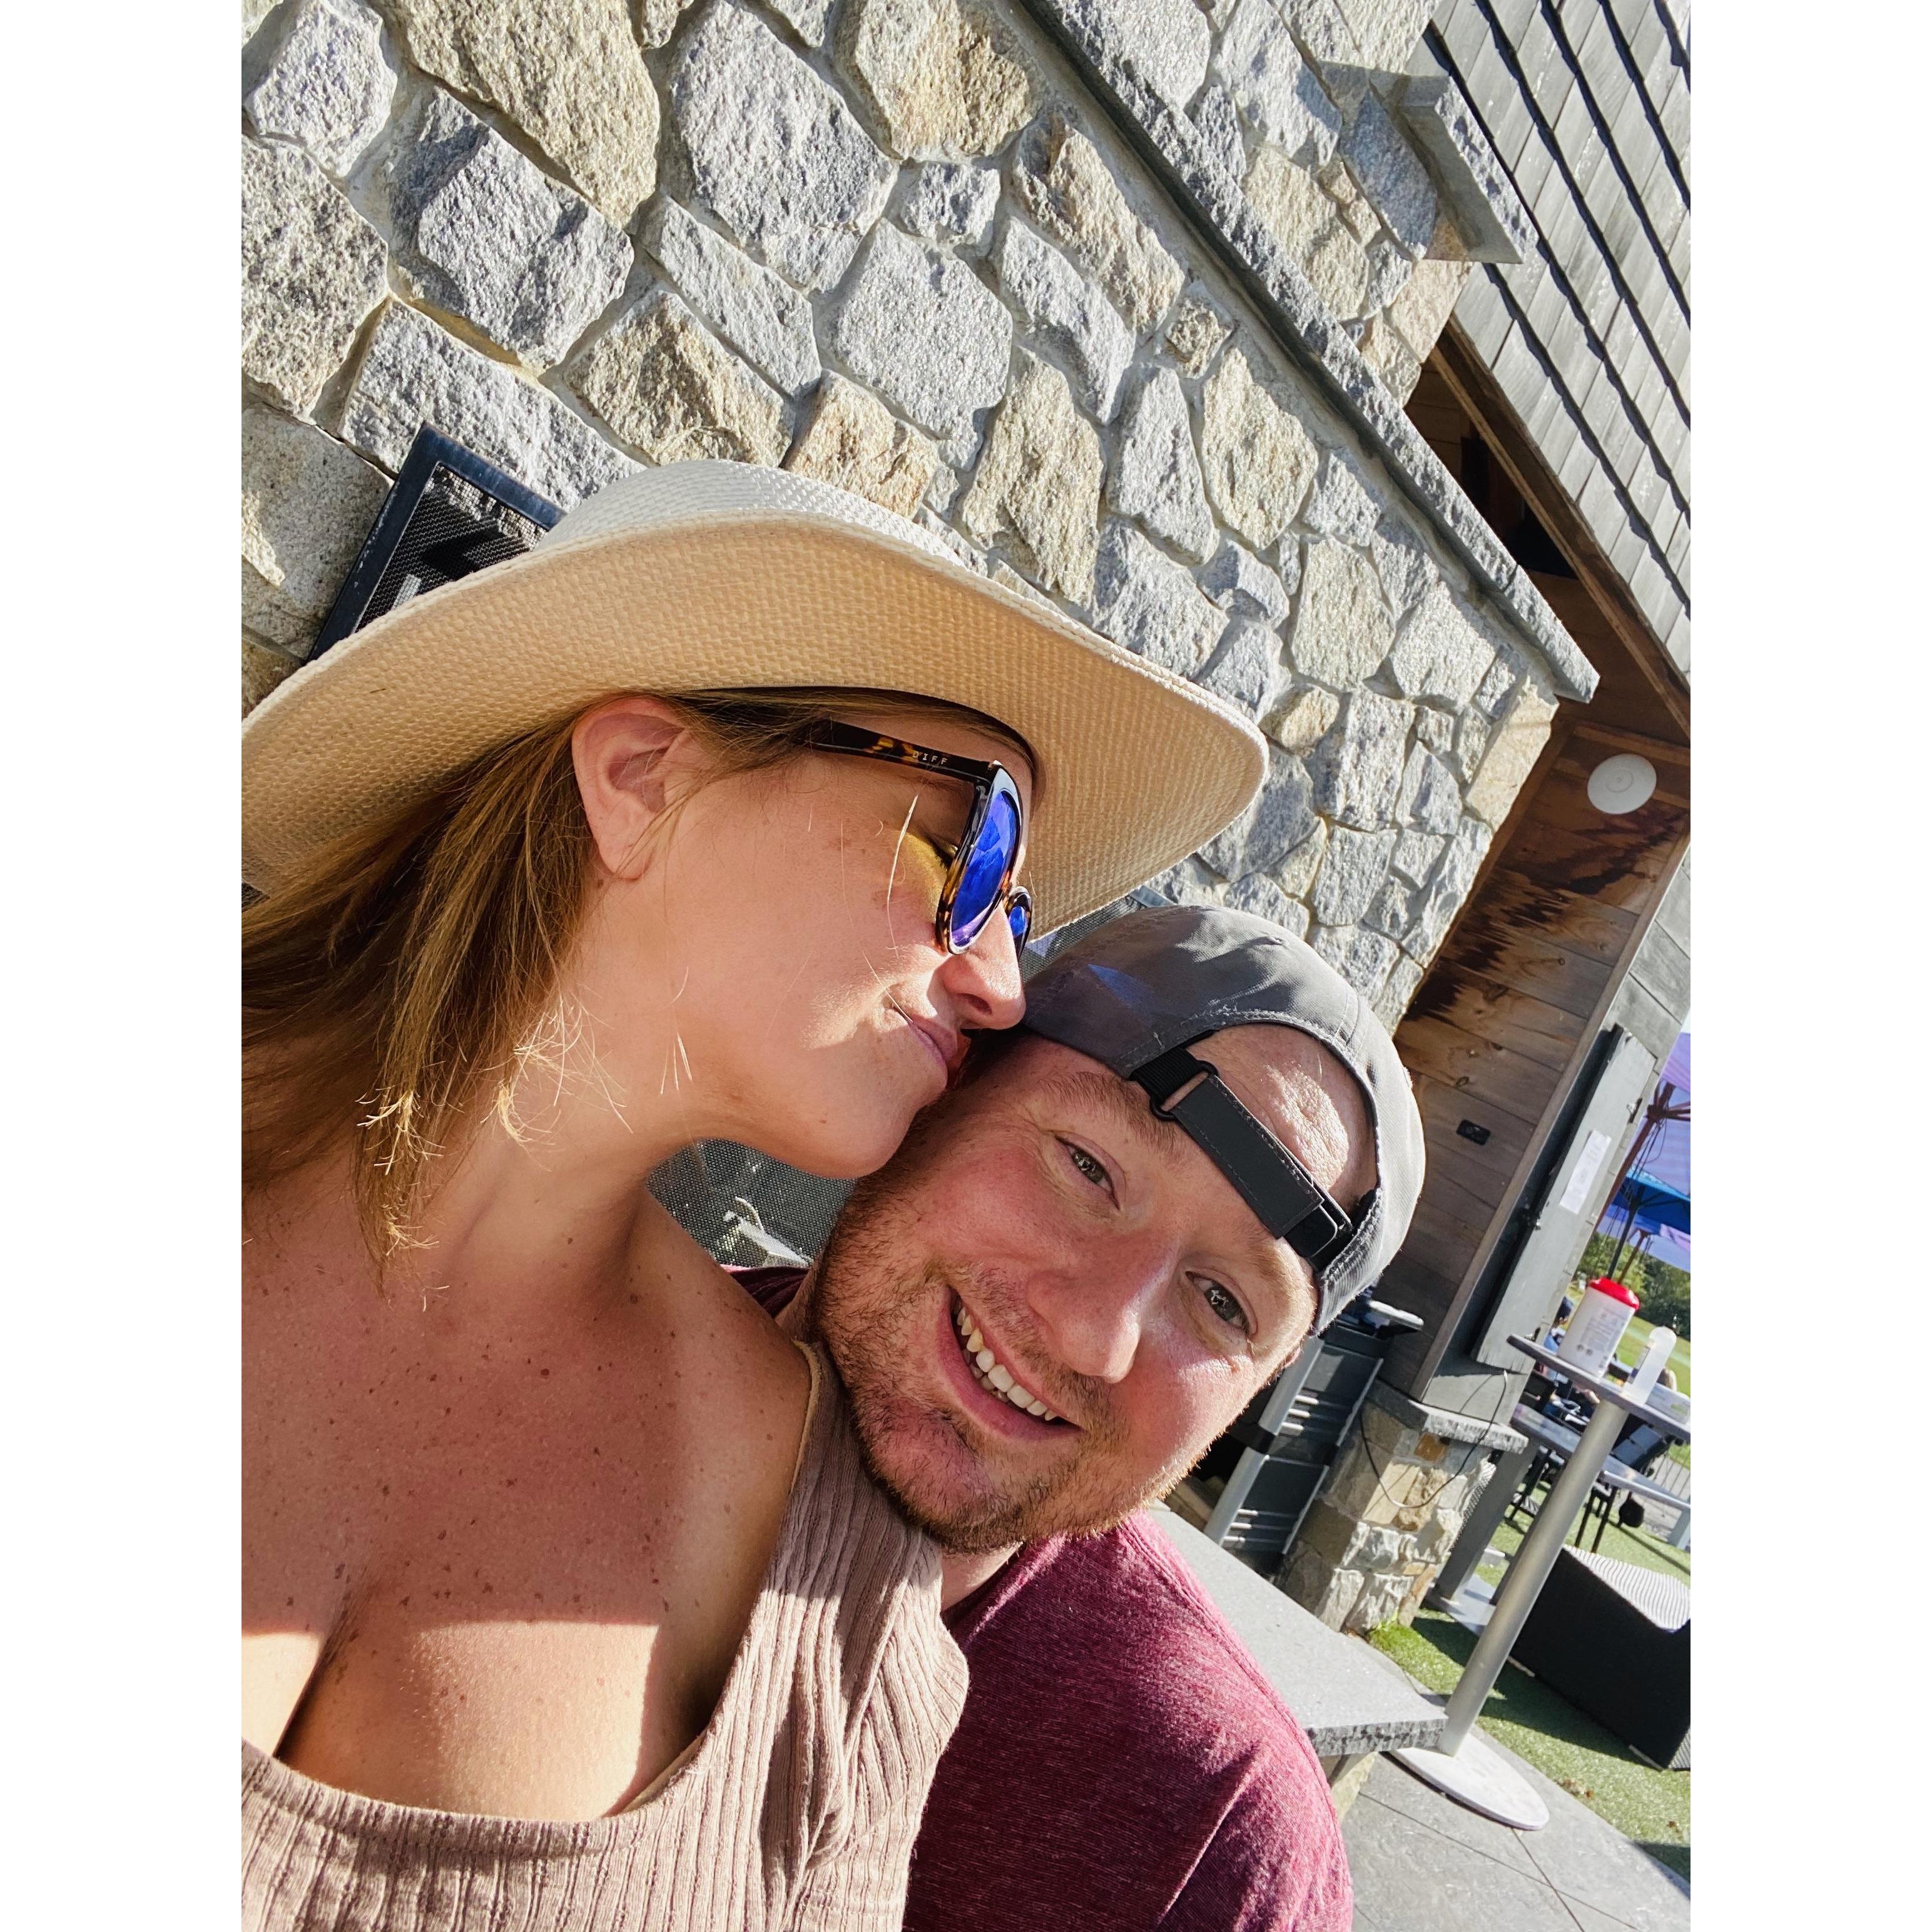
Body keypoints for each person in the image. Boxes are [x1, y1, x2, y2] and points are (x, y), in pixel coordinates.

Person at [240, 462, 1266, 1931]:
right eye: (972, 852)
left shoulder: (829, 1567)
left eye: (1020, 913)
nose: (998, 981)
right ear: (642, 777)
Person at [741, 903, 1428, 1931]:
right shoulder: (537, 1358)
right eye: (1088, 1167)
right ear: (953, 1086)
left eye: (1224, 1301)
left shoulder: (1211, 1840)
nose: (1094, 1337)